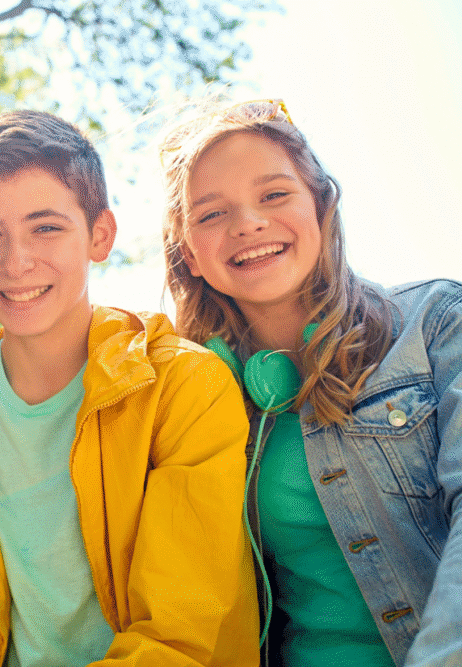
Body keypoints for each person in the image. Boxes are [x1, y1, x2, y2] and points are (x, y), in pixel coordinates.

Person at [0, 109, 260, 667]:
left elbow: (179, 632)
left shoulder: (182, 385)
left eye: (46, 227)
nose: (16, 260)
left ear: (99, 235)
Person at [160, 98, 462, 666]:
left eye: (273, 195)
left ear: (321, 207)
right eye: (211, 214)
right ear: (190, 254)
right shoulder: (193, 400)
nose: (248, 223)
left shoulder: (437, 322)